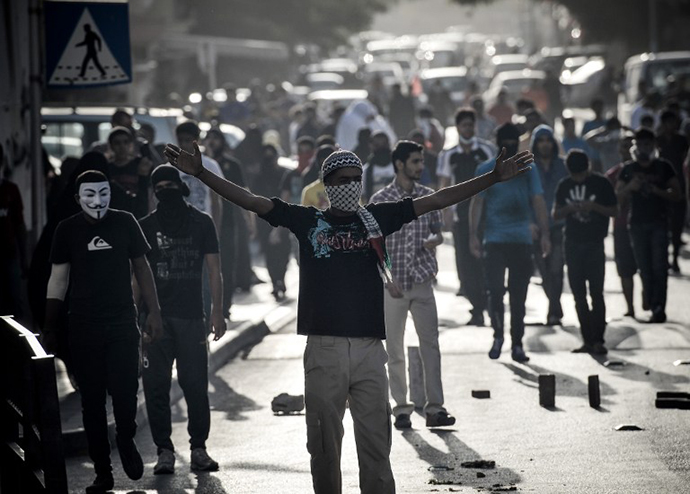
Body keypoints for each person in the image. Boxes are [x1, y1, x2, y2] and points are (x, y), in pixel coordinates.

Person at [164, 137, 533, 494]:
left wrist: (492, 179)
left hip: (371, 351)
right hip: (324, 350)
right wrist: (200, 174)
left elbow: (437, 200)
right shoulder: (306, 221)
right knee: (324, 449)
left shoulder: (376, 219)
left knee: (376, 448)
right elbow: (252, 201)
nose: (351, 186)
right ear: (326, 185)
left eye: (356, 180)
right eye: (342, 181)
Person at [43, 170, 163, 493]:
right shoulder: (67, 230)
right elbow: (58, 279)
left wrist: (154, 312)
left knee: (125, 393)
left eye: (103, 194)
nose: (97, 202)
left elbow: (142, 267)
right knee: (91, 402)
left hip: (123, 322)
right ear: (77, 198)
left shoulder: (125, 222)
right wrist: (49, 325)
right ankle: (102, 472)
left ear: (110, 194)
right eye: (89, 195)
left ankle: (125, 437)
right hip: (83, 326)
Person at [136, 165, 225, 475]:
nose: (165, 191)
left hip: (191, 317)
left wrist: (217, 312)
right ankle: (164, 451)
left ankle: (198, 448)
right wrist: (137, 318)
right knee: (156, 386)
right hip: (154, 321)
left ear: (180, 187)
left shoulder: (202, 222)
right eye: (158, 186)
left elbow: (214, 270)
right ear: (153, 192)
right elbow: (136, 277)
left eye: (169, 185)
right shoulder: (144, 227)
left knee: (196, 385)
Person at [370, 140, 454, 430]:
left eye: (421, 161)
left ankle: (436, 409)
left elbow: (439, 234)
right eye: (416, 161)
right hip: (393, 285)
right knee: (394, 350)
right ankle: (401, 409)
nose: (421, 166)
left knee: (431, 345)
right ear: (399, 164)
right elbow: (375, 247)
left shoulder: (428, 197)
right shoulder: (380, 199)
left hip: (421, 282)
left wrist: (434, 242)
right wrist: (386, 278)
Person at [469, 123, 551, 363]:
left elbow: (538, 201)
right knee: (495, 291)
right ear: (498, 142)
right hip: (494, 240)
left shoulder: (528, 169)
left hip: (521, 241)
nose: (511, 145)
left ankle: (517, 343)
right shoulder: (486, 169)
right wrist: (473, 235)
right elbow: (477, 203)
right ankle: (498, 336)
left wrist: (545, 234)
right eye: (506, 141)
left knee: (518, 295)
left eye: (514, 141)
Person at [554, 150, 618, 354]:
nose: (579, 179)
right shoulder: (565, 185)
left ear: (588, 168)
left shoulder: (601, 183)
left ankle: (599, 339)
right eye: (576, 176)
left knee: (596, 293)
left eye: (582, 175)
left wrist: (594, 207)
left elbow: (615, 211)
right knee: (578, 295)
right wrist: (569, 209)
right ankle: (587, 340)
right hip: (572, 243)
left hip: (594, 244)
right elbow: (555, 214)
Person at [616, 128, 682, 323]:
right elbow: (616, 197)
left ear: (654, 146)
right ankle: (651, 301)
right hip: (636, 224)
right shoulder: (628, 169)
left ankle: (658, 307)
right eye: (641, 144)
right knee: (644, 267)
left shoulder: (663, 167)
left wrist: (657, 191)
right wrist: (630, 188)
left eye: (648, 144)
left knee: (660, 267)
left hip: (659, 223)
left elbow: (678, 194)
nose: (644, 149)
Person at [437, 108, 494, 324]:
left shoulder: (487, 151)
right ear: (458, 127)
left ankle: (488, 303)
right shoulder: (448, 155)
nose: (468, 129)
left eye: (471, 125)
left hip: (486, 216)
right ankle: (477, 307)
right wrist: (445, 213)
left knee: (486, 261)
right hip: (460, 217)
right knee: (465, 263)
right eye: (464, 125)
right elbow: (443, 186)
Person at [530, 124, 568, 326]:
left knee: (556, 267)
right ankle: (555, 304)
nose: (545, 145)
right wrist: (528, 221)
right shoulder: (528, 168)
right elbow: (525, 198)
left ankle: (554, 309)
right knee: (544, 271)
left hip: (559, 224)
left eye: (548, 140)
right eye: (540, 141)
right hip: (536, 225)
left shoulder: (563, 166)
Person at [605, 132, 638, 317]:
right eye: (625, 146)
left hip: (646, 225)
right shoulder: (612, 175)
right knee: (625, 269)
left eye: (632, 145)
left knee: (648, 268)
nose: (629, 150)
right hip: (621, 225)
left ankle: (648, 296)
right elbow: (611, 201)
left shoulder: (652, 169)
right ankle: (630, 308)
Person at [253, 144, 292, 300]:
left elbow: (286, 196)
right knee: (269, 254)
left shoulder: (283, 174)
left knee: (283, 253)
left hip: (282, 218)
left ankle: (280, 279)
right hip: (264, 220)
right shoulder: (258, 178)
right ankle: (275, 282)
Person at [656, 109, 689, 273]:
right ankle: (664, 257)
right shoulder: (657, 140)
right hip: (661, 187)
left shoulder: (682, 140)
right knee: (663, 226)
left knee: (677, 225)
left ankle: (674, 257)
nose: (671, 125)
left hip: (679, 186)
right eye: (668, 122)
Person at [0, 142, 28, 320]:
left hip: (9, 252)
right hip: (10, 252)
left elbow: (19, 225)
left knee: (14, 298)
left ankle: (18, 342)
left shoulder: (10, 189)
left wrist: (24, 258)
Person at [106, 126, 153, 218]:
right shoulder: (107, 168)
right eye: (117, 143)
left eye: (125, 142)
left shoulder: (139, 164)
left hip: (136, 212)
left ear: (131, 144)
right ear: (111, 146)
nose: (122, 146)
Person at [363, 131, 395, 202]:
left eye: (384, 144)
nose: (381, 147)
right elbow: (364, 197)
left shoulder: (399, 167)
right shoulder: (366, 171)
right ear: (371, 146)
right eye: (377, 145)